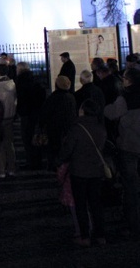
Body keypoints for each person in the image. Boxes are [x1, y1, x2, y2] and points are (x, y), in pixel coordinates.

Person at [58, 99, 107, 247]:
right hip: (96, 171)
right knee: (96, 204)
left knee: (80, 204)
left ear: (82, 111)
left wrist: (57, 161)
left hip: (79, 171)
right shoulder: (101, 128)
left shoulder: (76, 128)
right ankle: (100, 235)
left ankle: (85, 236)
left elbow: (67, 150)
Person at [104, 67, 140, 239]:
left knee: (131, 188)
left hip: (129, 146)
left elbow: (111, 114)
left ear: (129, 80)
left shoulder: (124, 98)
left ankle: (134, 226)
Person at [40, 76, 77, 170]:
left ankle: (54, 166)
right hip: (68, 127)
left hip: (54, 128)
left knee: (54, 149)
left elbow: (45, 113)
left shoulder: (53, 98)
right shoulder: (71, 97)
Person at [0, 64, 17, 178]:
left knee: (0, 145)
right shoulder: (12, 84)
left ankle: (2, 170)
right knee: (9, 144)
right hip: (10, 116)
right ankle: (11, 168)